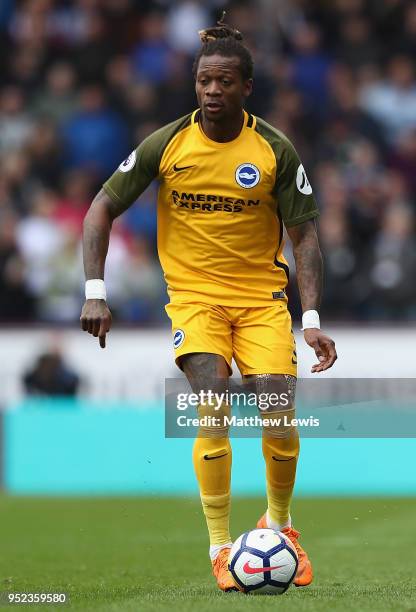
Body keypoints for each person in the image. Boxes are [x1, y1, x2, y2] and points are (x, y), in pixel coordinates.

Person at [80, 15, 337, 592]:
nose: (212, 91)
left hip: (262, 300)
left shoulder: (274, 149)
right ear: (194, 84)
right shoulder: (168, 142)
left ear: (247, 87)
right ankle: (221, 546)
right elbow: (100, 208)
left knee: (278, 411)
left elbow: (307, 239)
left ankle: (281, 526)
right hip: (194, 300)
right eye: (203, 82)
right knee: (213, 402)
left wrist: (312, 319)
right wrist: (96, 290)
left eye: (223, 82)